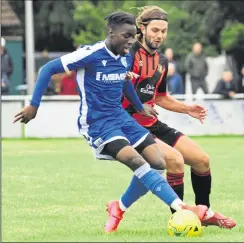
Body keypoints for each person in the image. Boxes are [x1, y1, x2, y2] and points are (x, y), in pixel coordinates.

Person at [13, 11, 208, 231]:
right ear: (111, 33)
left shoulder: (124, 56)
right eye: (126, 36)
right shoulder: (91, 54)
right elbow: (47, 68)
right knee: (137, 162)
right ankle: (182, 208)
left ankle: (119, 206)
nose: (131, 41)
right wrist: (34, 105)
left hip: (121, 117)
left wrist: (138, 106)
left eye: (133, 37)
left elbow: (124, 81)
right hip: (97, 123)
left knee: (158, 163)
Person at [105, 6, 236, 232]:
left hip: (151, 124)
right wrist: (138, 105)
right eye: (155, 30)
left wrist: (187, 109)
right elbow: (112, 89)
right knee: (174, 161)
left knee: (201, 159)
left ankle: (204, 212)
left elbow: (161, 97)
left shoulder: (162, 62)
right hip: (128, 124)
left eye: (164, 31)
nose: (160, 35)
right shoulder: (128, 54)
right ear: (142, 29)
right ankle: (181, 219)